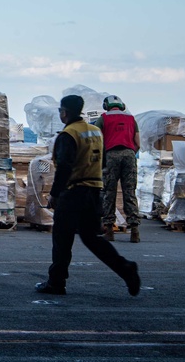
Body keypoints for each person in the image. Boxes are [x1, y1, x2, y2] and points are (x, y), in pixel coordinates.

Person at [35, 94, 141, 296]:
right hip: (93, 192)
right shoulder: (95, 132)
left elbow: (64, 167)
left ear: (65, 112)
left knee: (62, 239)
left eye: (60, 111)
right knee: (92, 238)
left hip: (73, 192)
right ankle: (125, 268)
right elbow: (103, 162)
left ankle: (56, 282)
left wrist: (55, 194)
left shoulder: (68, 134)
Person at [91, 95, 142, 243]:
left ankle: (109, 230)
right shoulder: (131, 119)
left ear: (106, 106)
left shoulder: (103, 119)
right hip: (129, 155)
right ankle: (134, 231)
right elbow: (138, 143)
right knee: (129, 192)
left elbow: (97, 141)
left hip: (111, 155)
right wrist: (130, 153)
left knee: (109, 192)